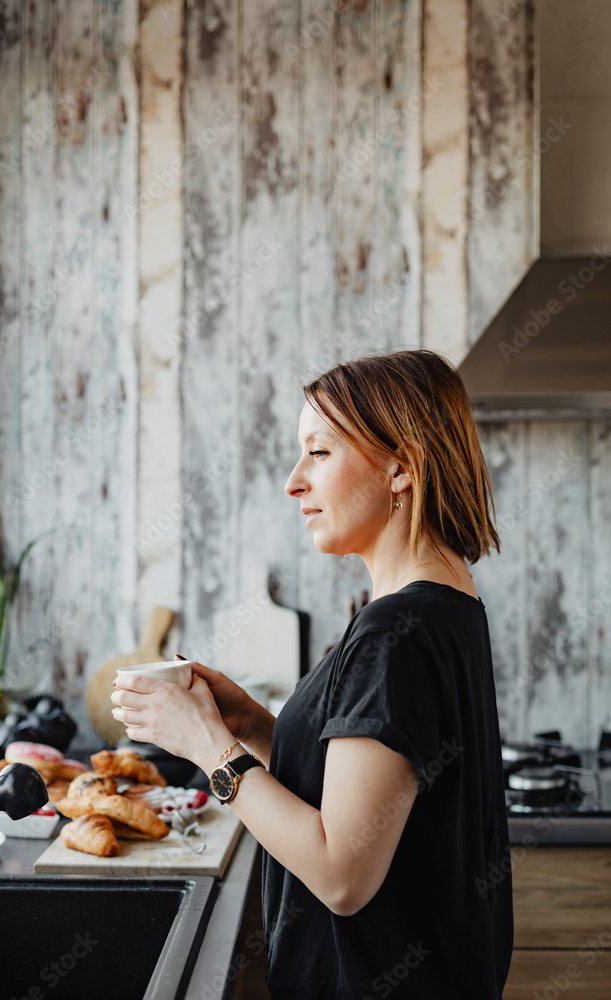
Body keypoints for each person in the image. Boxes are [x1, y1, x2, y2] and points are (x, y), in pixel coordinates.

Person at [111, 349, 514, 999]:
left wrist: (208, 749)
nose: (293, 481)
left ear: (401, 466)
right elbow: (373, 793)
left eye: (319, 452)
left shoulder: (393, 636)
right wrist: (250, 724)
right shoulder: (443, 607)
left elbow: (342, 873)